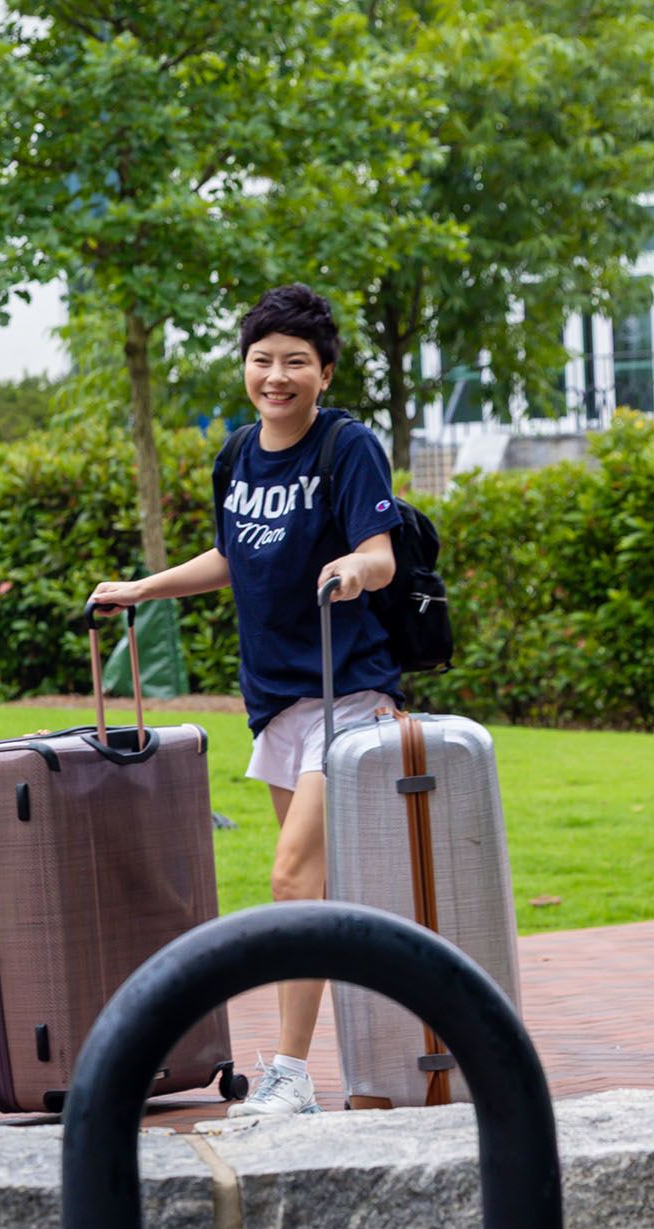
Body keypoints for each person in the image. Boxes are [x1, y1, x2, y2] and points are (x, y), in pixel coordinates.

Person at [88, 284, 402, 1118]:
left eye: (296, 362)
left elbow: (381, 552)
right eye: (263, 360)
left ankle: (292, 1076)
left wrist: (354, 569)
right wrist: (142, 588)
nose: (277, 376)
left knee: (293, 878)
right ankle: (390, 1049)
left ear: (325, 374)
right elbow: (230, 557)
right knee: (320, 888)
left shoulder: (346, 446)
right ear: (245, 368)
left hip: (348, 695)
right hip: (277, 704)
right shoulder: (235, 455)